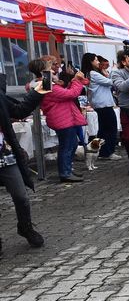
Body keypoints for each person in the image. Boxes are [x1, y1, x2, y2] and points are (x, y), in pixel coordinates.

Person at [0, 73, 47, 255]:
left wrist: (38, 92)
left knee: (21, 196)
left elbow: (19, 110)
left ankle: (25, 227)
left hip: (4, 156)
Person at [34, 59, 86, 182]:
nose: (53, 70)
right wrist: (77, 81)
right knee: (67, 146)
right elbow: (71, 94)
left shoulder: (48, 84)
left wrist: (71, 81)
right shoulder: (47, 85)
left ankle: (67, 169)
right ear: (43, 71)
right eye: (50, 68)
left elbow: (64, 93)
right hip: (62, 119)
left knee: (71, 145)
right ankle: (65, 173)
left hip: (64, 118)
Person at [81, 53, 121, 161]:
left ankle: (103, 151)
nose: (98, 62)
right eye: (96, 60)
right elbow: (110, 82)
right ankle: (108, 152)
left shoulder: (90, 73)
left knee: (103, 129)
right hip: (103, 104)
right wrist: (111, 72)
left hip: (100, 104)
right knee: (111, 128)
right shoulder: (93, 73)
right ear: (91, 62)